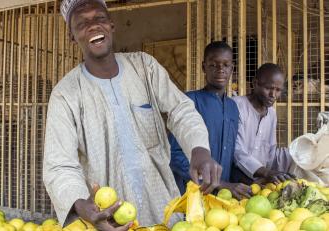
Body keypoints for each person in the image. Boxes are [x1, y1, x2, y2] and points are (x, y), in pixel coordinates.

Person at [43, 0, 222, 229]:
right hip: (109, 221)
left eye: (99, 18)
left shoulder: (145, 67)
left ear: (111, 24)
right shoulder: (65, 94)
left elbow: (181, 110)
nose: (93, 26)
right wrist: (79, 204)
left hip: (163, 214)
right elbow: (60, 165)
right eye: (82, 22)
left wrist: (199, 149)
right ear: (71, 36)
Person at [168, 41, 251, 200]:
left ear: (232, 69)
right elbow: (175, 155)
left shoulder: (233, 108)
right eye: (213, 65)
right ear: (203, 67)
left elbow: (230, 155)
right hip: (191, 195)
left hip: (223, 198)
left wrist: (243, 181)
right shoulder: (189, 102)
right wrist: (220, 183)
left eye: (225, 65)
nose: (220, 70)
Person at [232, 63, 294, 184]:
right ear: (255, 83)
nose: (273, 95)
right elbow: (237, 151)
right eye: (268, 88)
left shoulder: (272, 113)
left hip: (260, 182)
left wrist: (296, 156)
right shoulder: (236, 106)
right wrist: (266, 172)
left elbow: (271, 151)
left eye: (278, 90)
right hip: (236, 180)